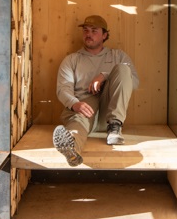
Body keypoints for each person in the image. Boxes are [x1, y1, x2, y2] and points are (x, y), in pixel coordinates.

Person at [52, 14, 139, 166]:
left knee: (123, 69)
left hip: (109, 113)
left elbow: (134, 83)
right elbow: (63, 88)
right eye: (85, 30)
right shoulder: (72, 60)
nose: (88, 34)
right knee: (79, 120)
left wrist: (105, 75)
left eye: (94, 31)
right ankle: (72, 149)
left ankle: (115, 128)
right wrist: (75, 104)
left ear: (105, 35)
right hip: (83, 111)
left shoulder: (118, 56)